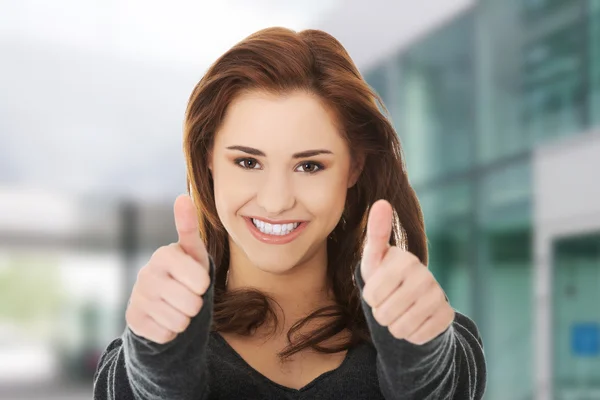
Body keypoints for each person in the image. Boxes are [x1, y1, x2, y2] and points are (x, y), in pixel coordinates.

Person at [93, 27, 486, 400]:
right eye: (248, 162)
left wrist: (421, 352)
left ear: (355, 167)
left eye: (309, 166)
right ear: (208, 158)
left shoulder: (438, 343)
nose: (277, 201)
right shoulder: (135, 360)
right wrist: (158, 355)